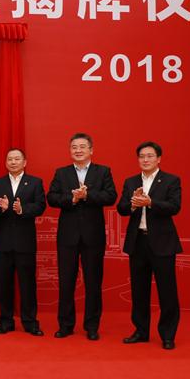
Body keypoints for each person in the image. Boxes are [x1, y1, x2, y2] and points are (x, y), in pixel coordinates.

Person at [46, 133, 117, 341]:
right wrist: (72, 198)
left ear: (91, 150)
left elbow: (111, 196)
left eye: (82, 147)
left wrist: (87, 195)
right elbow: (51, 198)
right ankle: (65, 325)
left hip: (93, 235)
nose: (78, 150)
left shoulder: (103, 171)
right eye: (74, 147)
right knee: (66, 281)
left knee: (93, 282)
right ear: (70, 151)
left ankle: (92, 326)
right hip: (67, 235)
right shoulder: (62, 173)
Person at [116, 141, 182, 350]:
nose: (145, 160)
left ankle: (168, 335)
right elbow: (121, 209)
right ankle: (141, 331)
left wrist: (150, 202)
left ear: (158, 159)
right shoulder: (131, 182)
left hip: (162, 243)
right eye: (142, 156)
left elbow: (174, 207)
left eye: (150, 156)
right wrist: (133, 203)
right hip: (138, 242)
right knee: (139, 291)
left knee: (167, 291)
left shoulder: (171, 180)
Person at [0, 148, 46, 336]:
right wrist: (2, 208)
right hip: (4, 242)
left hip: (25, 242)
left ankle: (30, 322)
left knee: (27, 284)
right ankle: (6, 321)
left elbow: (40, 206)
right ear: (6, 162)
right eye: (10, 159)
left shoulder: (35, 182)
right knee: (4, 284)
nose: (13, 162)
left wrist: (22, 209)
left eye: (17, 159)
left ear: (24, 162)